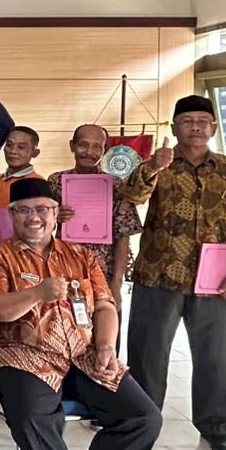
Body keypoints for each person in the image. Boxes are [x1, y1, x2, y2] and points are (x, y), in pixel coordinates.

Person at [0, 179, 162, 450]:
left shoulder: (81, 256)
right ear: (12, 215)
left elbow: (105, 305)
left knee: (144, 417)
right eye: (24, 210)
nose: (34, 217)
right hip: (24, 357)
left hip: (83, 354)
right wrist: (36, 293)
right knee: (31, 419)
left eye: (42, 209)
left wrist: (105, 345)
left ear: (55, 214)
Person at [119, 96, 226, 450]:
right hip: (159, 274)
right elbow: (130, 195)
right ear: (174, 127)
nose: (195, 127)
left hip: (215, 280)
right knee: (147, 354)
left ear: (213, 127)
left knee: (215, 354)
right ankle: (141, 421)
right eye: (186, 121)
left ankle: (216, 426)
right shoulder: (159, 166)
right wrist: (152, 167)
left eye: (202, 121)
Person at [47, 124, 144, 310]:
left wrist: (116, 284)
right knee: (65, 324)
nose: (89, 152)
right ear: (72, 146)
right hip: (63, 272)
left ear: (105, 150)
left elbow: (123, 236)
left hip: (103, 274)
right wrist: (53, 216)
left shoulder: (116, 186)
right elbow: (40, 227)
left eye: (97, 146)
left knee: (105, 325)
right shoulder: (55, 182)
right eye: (83, 145)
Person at [0, 126, 44, 209]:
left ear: (35, 153)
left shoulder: (38, 184)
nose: (12, 151)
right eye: (9, 145)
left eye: (21, 147)